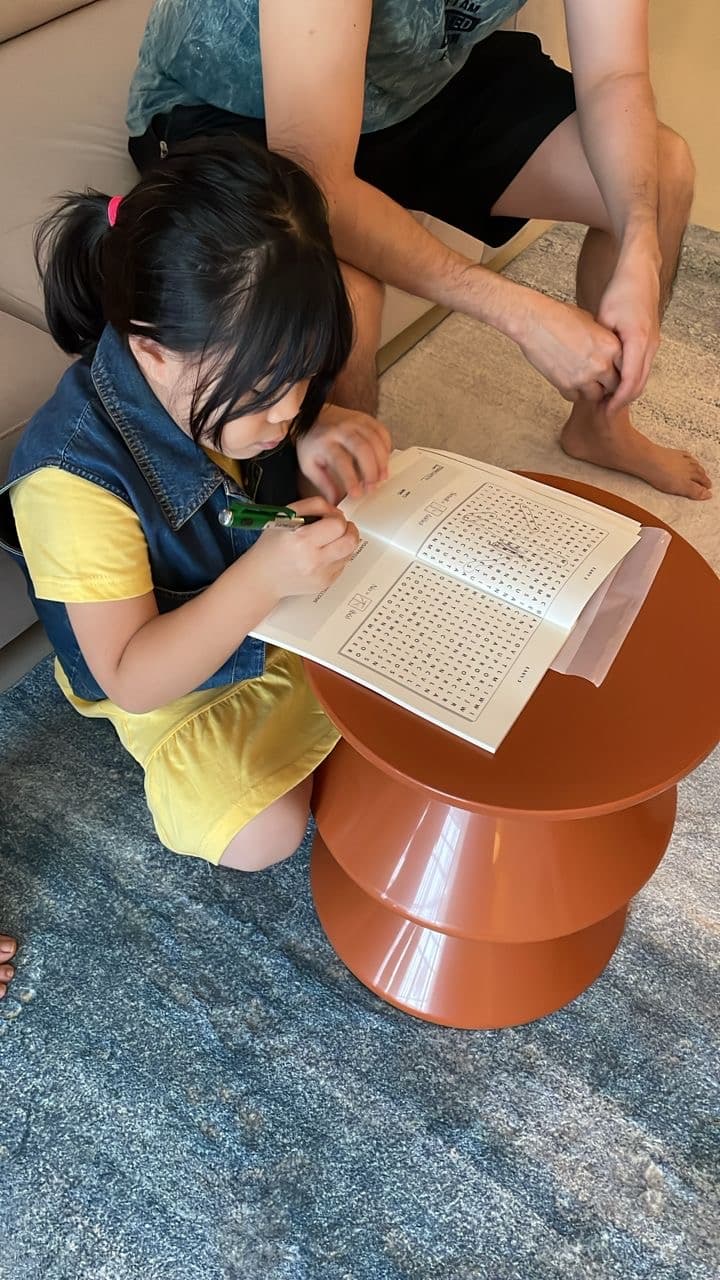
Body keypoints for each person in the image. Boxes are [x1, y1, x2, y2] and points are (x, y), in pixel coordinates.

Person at [125, 0, 711, 502]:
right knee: (347, 300)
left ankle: (600, 425)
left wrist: (641, 245)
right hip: (245, 105)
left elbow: (616, 76)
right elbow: (320, 186)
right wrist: (524, 315)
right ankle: (331, 524)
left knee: (660, 177)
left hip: (417, 85)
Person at [0, 138, 391, 871]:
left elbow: (266, 448)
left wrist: (316, 426)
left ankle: (343, 718)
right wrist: (264, 579)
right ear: (152, 352)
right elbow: (131, 677)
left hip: (275, 607)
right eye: (262, 393)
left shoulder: (228, 387)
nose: (288, 408)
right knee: (260, 831)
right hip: (177, 676)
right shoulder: (70, 482)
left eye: (306, 375)